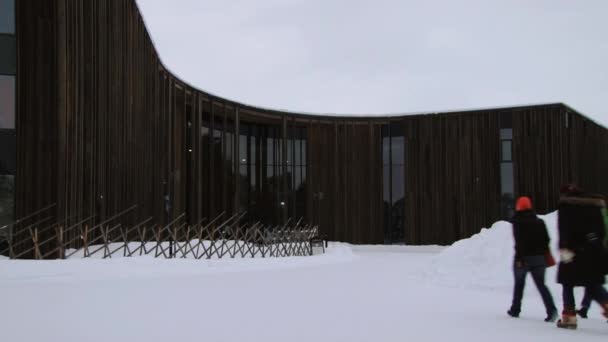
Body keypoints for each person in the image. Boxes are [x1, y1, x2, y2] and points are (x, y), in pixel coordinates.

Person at [556, 184, 608, 330]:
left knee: (567, 282)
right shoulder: (594, 206)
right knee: (592, 283)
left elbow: (564, 230)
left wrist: (564, 247)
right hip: (594, 251)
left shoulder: (566, 207)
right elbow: (602, 231)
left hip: (574, 252)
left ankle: (569, 316)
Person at [507, 196, 558, 322]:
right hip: (539, 258)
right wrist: (541, 252)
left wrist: (519, 257)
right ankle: (552, 310)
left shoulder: (518, 222)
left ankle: (515, 309)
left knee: (519, 284)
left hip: (524, 257)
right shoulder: (539, 222)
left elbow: (519, 242)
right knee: (541, 285)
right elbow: (547, 240)